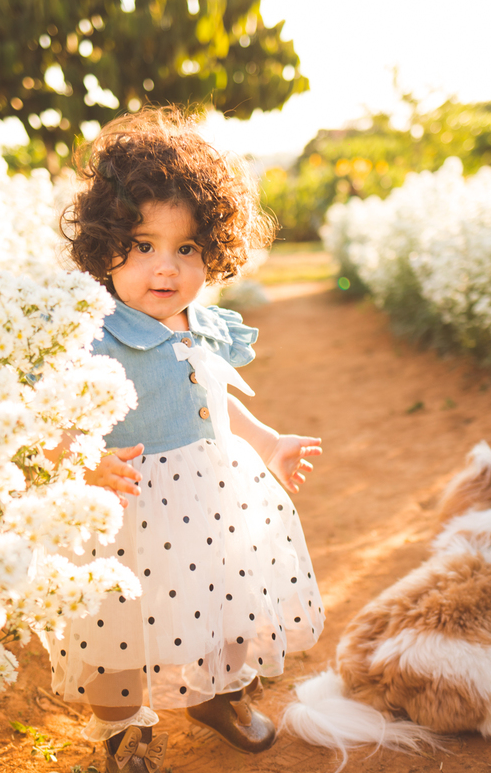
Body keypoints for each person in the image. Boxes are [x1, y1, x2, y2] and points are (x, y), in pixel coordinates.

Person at [46, 107, 325, 773]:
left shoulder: (200, 321)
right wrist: (82, 466)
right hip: (131, 516)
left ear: (214, 250)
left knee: (227, 604)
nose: (165, 268)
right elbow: (49, 426)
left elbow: (213, 394)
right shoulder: (92, 336)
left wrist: (268, 440)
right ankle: (121, 739)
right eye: (143, 245)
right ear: (105, 244)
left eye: (187, 248)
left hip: (214, 497)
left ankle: (218, 697)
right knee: (118, 640)